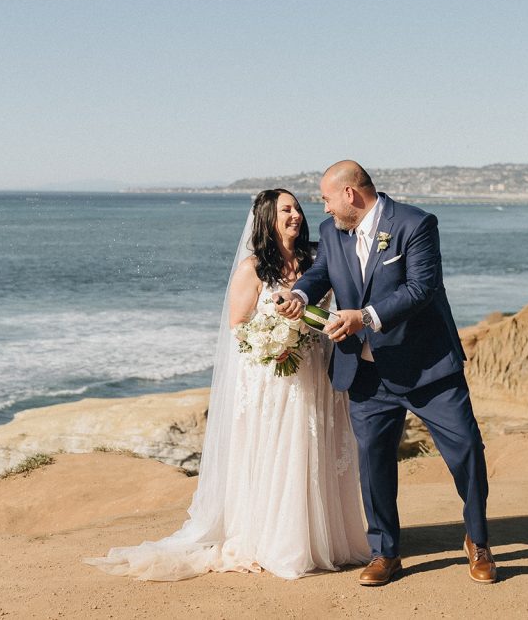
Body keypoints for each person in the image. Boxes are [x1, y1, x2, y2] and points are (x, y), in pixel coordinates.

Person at [85, 188, 369, 580]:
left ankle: (325, 540)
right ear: (267, 218)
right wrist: (277, 343)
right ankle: (278, 540)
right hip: (276, 376)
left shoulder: (316, 258)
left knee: (314, 448)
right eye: (286, 210)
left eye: (298, 209)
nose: (297, 216)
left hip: (317, 368)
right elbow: (238, 327)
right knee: (281, 452)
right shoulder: (253, 268)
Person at [275, 161, 497, 586]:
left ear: (350, 195)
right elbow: (322, 272)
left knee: (467, 450)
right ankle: (384, 553)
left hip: (427, 367)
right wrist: (301, 294)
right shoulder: (330, 232)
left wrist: (367, 317)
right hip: (364, 372)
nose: (321, 208)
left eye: (325, 198)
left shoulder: (416, 223)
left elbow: (422, 287)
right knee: (373, 464)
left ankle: (478, 541)